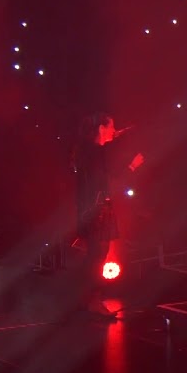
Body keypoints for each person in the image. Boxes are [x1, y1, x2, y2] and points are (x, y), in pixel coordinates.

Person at [70, 113, 121, 318]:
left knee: (95, 257)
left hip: (92, 210)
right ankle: (93, 301)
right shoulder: (94, 153)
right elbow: (101, 184)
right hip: (97, 211)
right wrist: (131, 167)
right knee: (97, 257)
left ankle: (85, 300)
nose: (114, 130)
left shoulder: (88, 152)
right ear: (101, 128)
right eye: (110, 127)